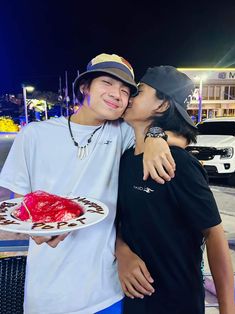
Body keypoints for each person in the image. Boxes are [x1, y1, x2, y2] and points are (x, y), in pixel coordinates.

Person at [0, 54, 178, 314]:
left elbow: (169, 131)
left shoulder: (123, 133)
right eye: (107, 83)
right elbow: (22, 207)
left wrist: (155, 137)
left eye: (125, 90)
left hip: (106, 293)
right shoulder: (34, 135)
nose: (117, 94)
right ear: (85, 87)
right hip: (46, 295)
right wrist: (36, 231)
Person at [116, 66, 235, 314]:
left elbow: (214, 235)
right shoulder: (126, 159)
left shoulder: (178, 163)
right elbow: (123, 221)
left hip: (177, 300)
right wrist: (122, 251)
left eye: (138, 91)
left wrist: (227, 308)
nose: (129, 95)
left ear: (161, 106)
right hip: (134, 300)